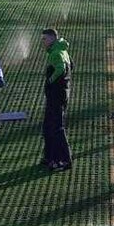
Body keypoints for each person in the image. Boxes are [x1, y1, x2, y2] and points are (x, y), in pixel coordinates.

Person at [41, 27, 73, 170]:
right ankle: (49, 157)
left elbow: (61, 69)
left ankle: (65, 159)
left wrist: (50, 80)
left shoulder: (56, 53)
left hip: (57, 95)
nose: (43, 42)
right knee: (48, 125)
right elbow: (72, 65)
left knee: (56, 127)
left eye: (45, 39)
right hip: (60, 94)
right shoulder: (62, 50)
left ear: (52, 38)